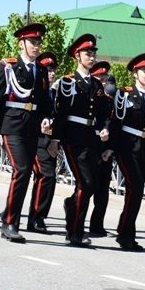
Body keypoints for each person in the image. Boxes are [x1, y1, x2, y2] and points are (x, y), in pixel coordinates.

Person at [0, 23, 55, 242]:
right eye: (32, 42)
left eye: (39, 42)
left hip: (32, 126)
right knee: (21, 170)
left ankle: (10, 216)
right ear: (21, 43)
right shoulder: (8, 66)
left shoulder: (40, 69)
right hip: (12, 126)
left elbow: (44, 99)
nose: (36, 46)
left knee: (26, 172)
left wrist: (47, 117)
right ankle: (9, 222)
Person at [51, 34, 109, 247]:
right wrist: (55, 139)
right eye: (87, 53)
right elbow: (61, 112)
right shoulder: (68, 82)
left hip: (91, 139)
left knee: (87, 185)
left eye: (93, 53)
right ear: (77, 56)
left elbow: (104, 114)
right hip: (72, 138)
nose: (92, 57)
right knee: (86, 183)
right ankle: (75, 232)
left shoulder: (96, 84)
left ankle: (70, 206)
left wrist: (104, 129)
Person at [109, 53, 145, 251]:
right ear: (135, 74)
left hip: (143, 147)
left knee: (136, 191)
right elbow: (116, 122)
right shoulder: (124, 94)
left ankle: (125, 231)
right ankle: (125, 235)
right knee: (135, 189)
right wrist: (110, 148)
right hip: (126, 146)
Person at [27, 52, 59, 233]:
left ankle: (39, 216)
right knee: (45, 175)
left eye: (53, 69)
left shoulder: (55, 93)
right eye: (47, 69)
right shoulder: (34, 91)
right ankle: (35, 218)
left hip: (50, 142)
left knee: (50, 179)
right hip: (35, 139)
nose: (51, 73)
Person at [87, 61, 116, 238]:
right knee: (86, 185)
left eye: (106, 80)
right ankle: (73, 213)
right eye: (100, 79)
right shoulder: (88, 97)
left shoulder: (111, 101)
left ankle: (97, 224)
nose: (103, 83)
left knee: (102, 189)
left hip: (105, 148)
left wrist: (111, 148)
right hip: (89, 144)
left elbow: (116, 125)